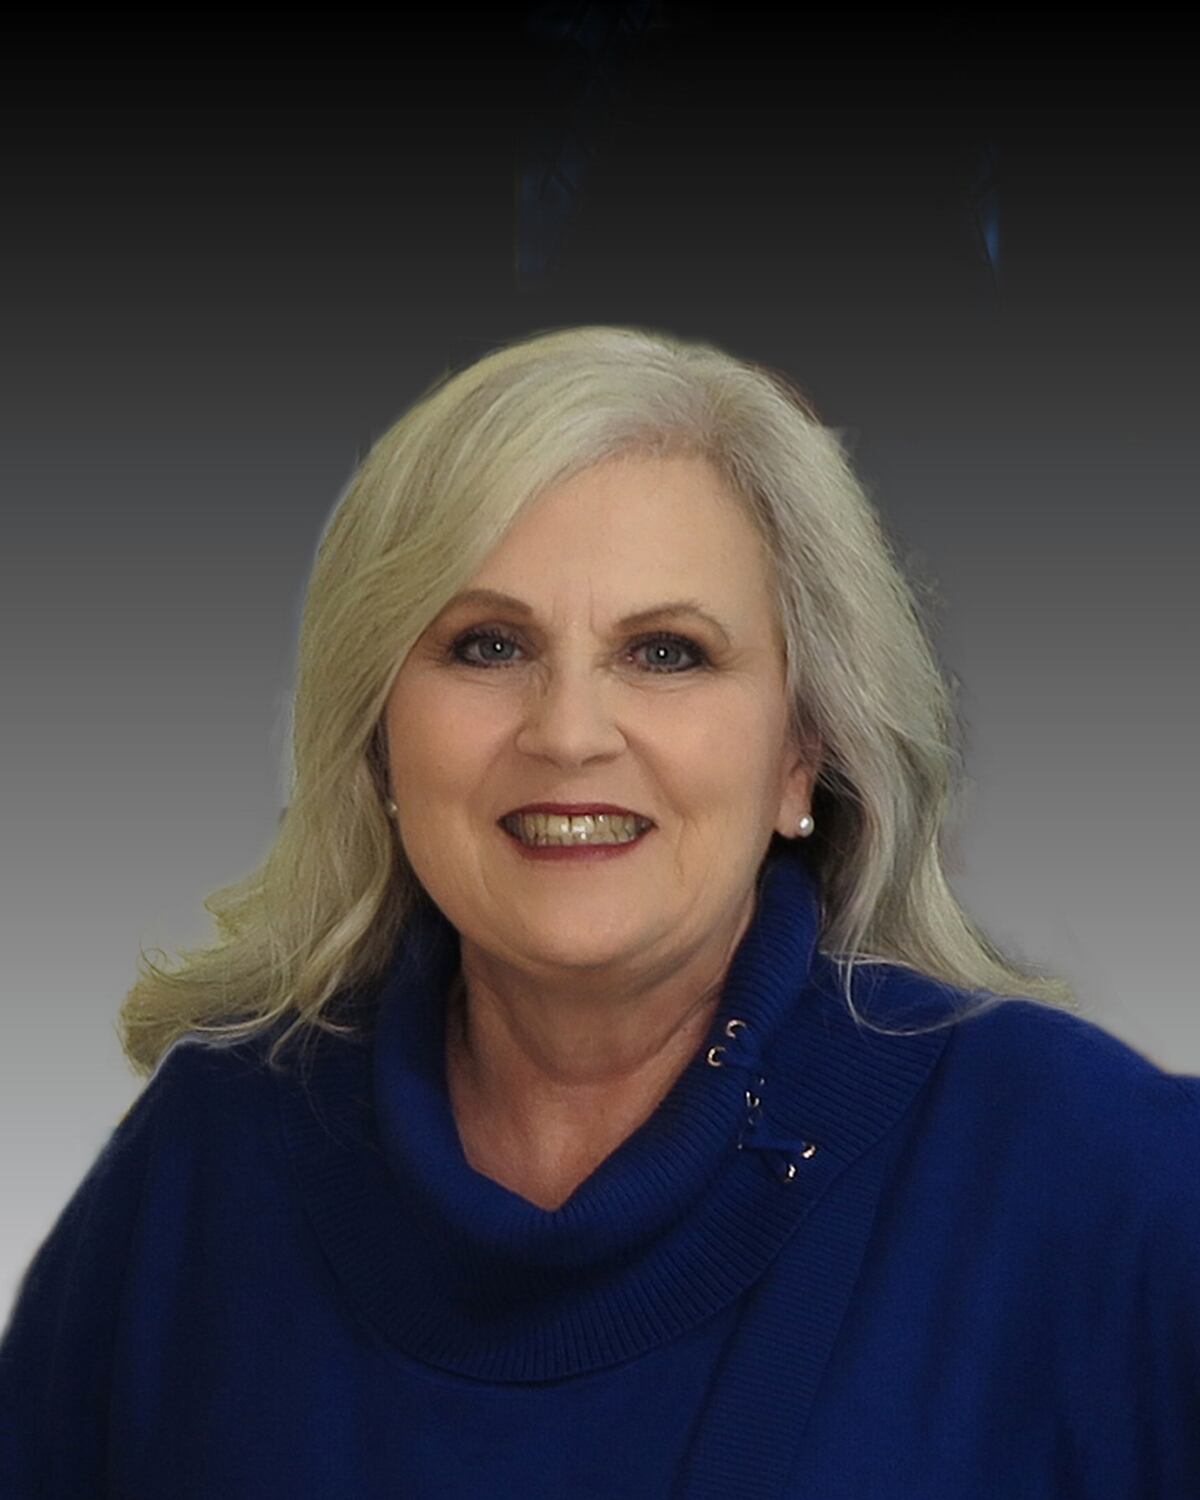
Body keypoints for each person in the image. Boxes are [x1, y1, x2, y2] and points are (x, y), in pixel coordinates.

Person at [1, 324, 1197, 1498]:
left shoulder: (1104, 1175)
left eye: (667, 653)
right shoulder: (204, 1164)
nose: (569, 733)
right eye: (487, 645)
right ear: (379, 741)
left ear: (801, 753)